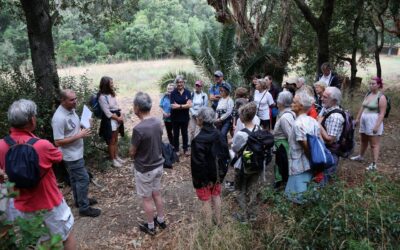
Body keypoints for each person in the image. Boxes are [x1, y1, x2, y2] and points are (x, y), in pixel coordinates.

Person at [0, 99, 76, 249]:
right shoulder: (42, 145)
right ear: (31, 120)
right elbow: (58, 157)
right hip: (50, 203)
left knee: (41, 243)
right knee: (66, 236)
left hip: (22, 206)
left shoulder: (1, 145)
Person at [52, 89, 101, 217]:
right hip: (70, 155)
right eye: (72, 100)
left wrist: (85, 125)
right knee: (83, 179)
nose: (75, 102)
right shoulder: (58, 118)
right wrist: (79, 135)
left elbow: (73, 129)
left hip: (77, 152)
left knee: (75, 179)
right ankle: (84, 208)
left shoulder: (71, 110)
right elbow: (57, 142)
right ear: (63, 101)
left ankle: (80, 201)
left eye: (76, 99)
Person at [130, 92, 166, 236]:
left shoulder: (138, 129)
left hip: (145, 168)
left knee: (147, 198)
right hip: (158, 165)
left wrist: (132, 154)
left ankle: (151, 226)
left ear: (137, 107)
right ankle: (161, 220)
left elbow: (132, 152)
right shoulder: (158, 122)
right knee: (156, 194)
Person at [190, 107, 228, 226]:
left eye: (197, 117)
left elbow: (198, 164)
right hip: (217, 175)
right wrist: (219, 176)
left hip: (204, 179)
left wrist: (204, 181)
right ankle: (218, 222)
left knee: (206, 200)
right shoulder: (220, 135)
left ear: (200, 119)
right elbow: (225, 157)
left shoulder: (198, 140)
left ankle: (209, 227)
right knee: (216, 196)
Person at [285, 92, 320, 204]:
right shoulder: (313, 121)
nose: (292, 103)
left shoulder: (298, 124)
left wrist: (312, 159)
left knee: (297, 198)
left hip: (299, 165)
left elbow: (304, 145)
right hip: (309, 165)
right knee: (307, 192)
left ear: (301, 106)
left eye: (294, 102)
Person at [231, 102, 262, 221]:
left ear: (242, 117)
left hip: (243, 165)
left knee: (240, 189)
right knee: (253, 188)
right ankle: (253, 215)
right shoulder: (259, 128)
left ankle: (243, 216)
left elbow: (235, 148)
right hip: (257, 164)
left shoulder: (241, 134)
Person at [350, 77, 387, 171]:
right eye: (370, 83)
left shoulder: (381, 97)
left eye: (373, 83)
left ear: (378, 85)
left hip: (373, 120)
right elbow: (362, 107)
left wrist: (377, 126)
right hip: (364, 119)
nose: (371, 85)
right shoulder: (368, 94)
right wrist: (357, 119)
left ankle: (374, 164)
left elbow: (382, 113)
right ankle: (360, 156)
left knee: (374, 144)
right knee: (363, 140)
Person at [318, 87, 345, 184]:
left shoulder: (335, 117)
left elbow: (330, 140)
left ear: (334, 100)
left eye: (325, 97)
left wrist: (318, 124)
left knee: (324, 180)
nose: (321, 98)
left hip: (331, 153)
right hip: (327, 152)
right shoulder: (328, 110)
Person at [97, 76, 126, 168]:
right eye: (111, 83)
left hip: (117, 118)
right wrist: (118, 118)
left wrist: (120, 115)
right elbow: (107, 113)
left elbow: (116, 106)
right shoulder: (102, 97)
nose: (113, 84)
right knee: (111, 141)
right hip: (110, 121)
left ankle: (116, 156)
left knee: (116, 139)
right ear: (106, 85)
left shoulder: (111, 94)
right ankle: (113, 159)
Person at [273, 91, 295, 189]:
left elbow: (290, 135)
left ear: (281, 102)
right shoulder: (284, 114)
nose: (277, 101)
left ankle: (282, 185)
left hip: (283, 145)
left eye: (278, 99)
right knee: (280, 163)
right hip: (280, 144)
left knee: (282, 164)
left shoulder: (285, 117)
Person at [170, 75, 192, 156]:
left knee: (185, 133)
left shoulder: (188, 92)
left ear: (184, 83)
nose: (180, 84)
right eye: (178, 82)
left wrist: (179, 106)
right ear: (176, 83)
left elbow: (189, 105)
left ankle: (185, 149)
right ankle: (176, 149)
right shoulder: (173, 93)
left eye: (181, 82)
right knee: (175, 134)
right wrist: (184, 105)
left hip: (185, 117)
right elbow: (173, 106)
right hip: (175, 117)